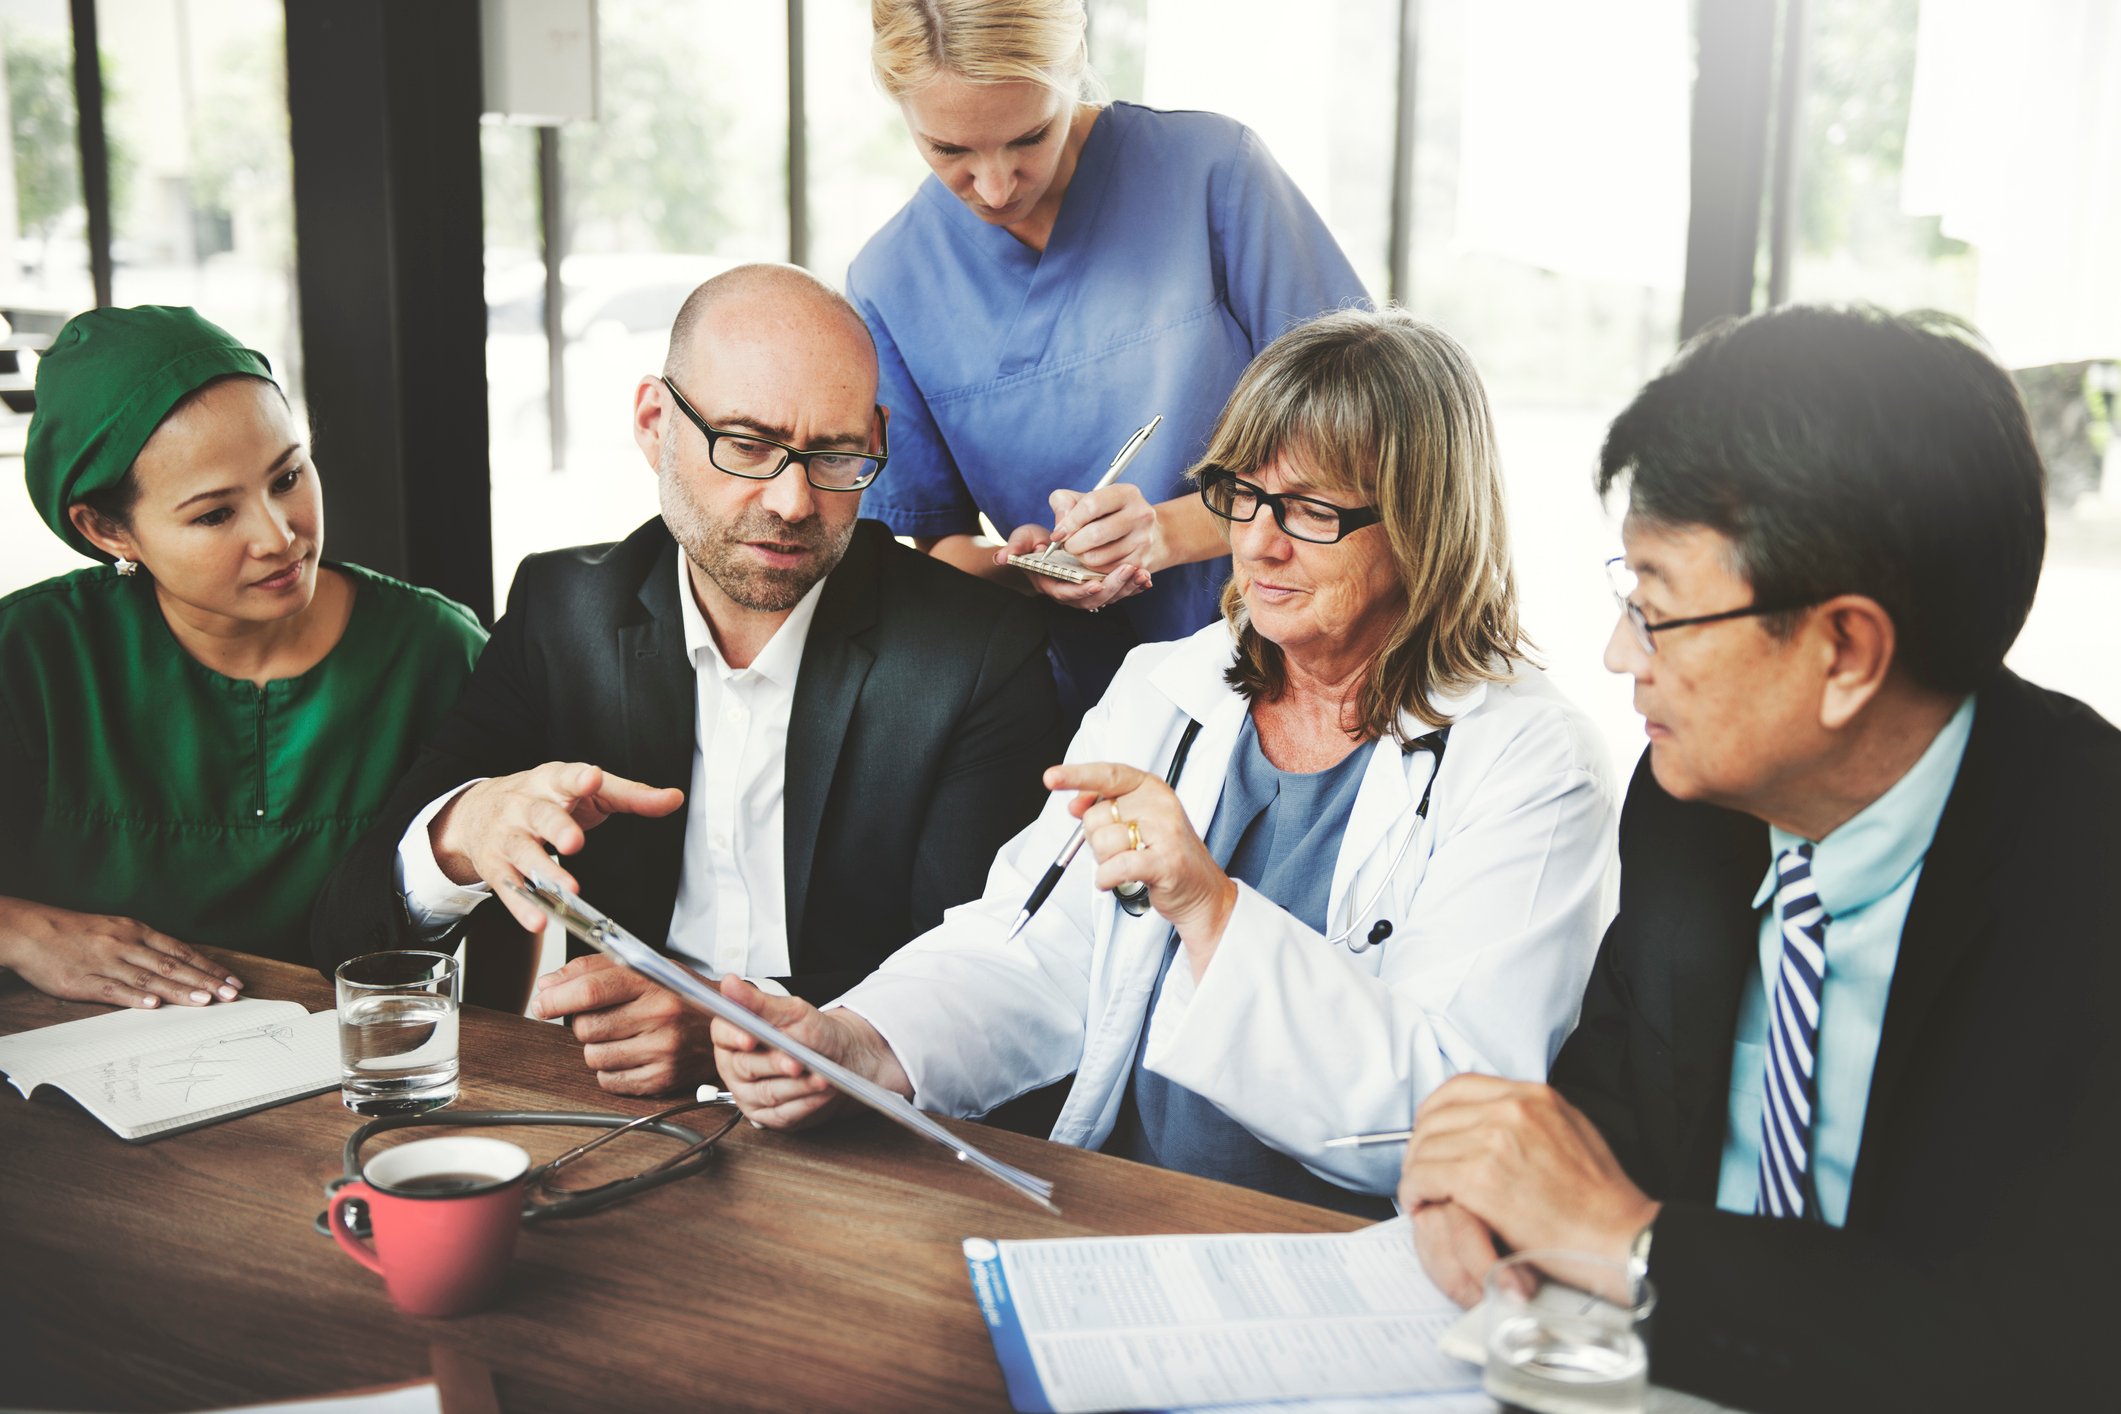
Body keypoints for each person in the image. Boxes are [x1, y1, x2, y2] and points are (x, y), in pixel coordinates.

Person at [706, 308, 1616, 1215]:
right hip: (1127, 1214)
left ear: (1424, 521)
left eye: (1308, 508)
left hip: (1349, 1255)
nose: (1258, 541)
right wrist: (854, 1044)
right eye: (1241, 495)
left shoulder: (1531, 760)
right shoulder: (1165, 689)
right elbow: (1030, 949)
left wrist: (1209, 910)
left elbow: (1450, 1118)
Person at [1397, 306, 2118, 1411]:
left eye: (1657, 609)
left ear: (1845, 651)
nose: (1616, 656)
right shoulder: (1693, 806)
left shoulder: (2084, 875)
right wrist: (1499, 1186)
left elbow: (2044, 1338)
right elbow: (1618, 1099)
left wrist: (1628, 1243)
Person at [312, 263, 1063, 1097]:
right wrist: (458, 831)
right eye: (746, 445)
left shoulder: (978, 652)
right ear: (653, 422)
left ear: (876, 443)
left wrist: (733, 1032)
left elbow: (984, 982)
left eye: (835, 455)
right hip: (615, 1112)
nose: (790, 501)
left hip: (866, 1134)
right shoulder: (563, 613)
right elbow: (347, 934)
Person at [851, 0, 1371, 715]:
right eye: (950, 151)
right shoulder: (890, 279)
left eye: (1028, 136)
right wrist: (1030, 569)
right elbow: (942, 549)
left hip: (1300, 654)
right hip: (1084, 696)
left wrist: (1163, 533)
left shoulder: (1212, 173)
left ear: (1074, 66)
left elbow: (1368, 433)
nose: (997, 186)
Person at [0, 305, 485, 1003]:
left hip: (363, 1079)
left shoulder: (438, 652)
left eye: (287, 477)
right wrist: (23, 932)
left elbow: (510, 890)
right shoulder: (31, 659)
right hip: (70, 1080)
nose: (278, 536)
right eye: (214, 514)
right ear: (109, 530)